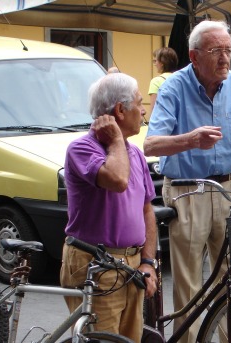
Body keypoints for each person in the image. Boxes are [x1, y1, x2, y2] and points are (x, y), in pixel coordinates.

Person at [144, 20, 231, 343]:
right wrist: (191, 140)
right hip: (187, 189)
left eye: (229, 51)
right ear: (194, 56)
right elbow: (151, 144)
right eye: (216, 51)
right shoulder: (173, 87)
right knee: (189, 283)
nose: (225, 59)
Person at [60, 73, 158, 342]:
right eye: (139, 103)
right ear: (119, 110)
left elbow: (147, 209)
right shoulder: (81, 149)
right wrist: (115, 140)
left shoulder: (134, 153)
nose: (142, 110)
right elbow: (117, 180)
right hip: (96, 265)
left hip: (132, 266)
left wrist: (148, 262)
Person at [148, 47, 179, 114]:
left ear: (162, 63)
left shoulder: (156, 81)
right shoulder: (181, 79)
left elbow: (154, 109)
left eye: (155, 61)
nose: (155, 64)